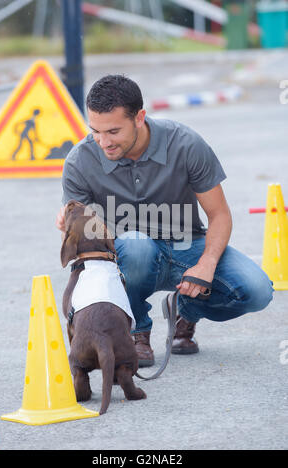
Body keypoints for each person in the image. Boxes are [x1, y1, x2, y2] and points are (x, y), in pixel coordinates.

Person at [56, 74, 273, 367]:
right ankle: (137, 334)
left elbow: (219, 214)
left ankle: (186, 310)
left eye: (113, 131)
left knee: (257, 291)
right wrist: (72, 228)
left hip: (187, 246)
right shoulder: (80, 161)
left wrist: (206, 264)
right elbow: (85, 243)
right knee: (135, 244)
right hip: (128, 256)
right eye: (95, 130)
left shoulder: (185, 144)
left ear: (139, 118)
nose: (103, 142)